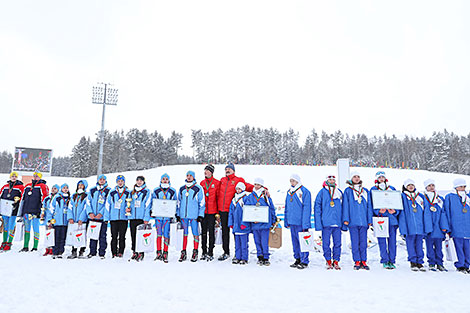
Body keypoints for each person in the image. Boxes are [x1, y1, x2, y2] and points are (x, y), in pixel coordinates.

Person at [217, 163, 254, 261]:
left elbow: (247, 186)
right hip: (223, 210)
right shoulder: (222, 180)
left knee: (236, 232)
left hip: (234, 210)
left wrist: (261, 188)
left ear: (233, 170)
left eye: (229, 169)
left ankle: (237, 253)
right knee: (225, 232)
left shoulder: (238, 180)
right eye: (226, 169)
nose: (227, 170)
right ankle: (226, 252)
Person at [368, 171, 399, 270]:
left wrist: (394, 211)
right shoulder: (373, 190)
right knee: (382, 241)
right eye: (379, 177)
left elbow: (397, 202)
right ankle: (385, 260)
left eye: (383, 177)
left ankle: (392, 260)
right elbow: (371, 204)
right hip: (380, 219)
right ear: (377, 179)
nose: (381, 179)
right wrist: (377, 211)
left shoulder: (392, 189)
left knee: (392, 241)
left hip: (391, 219)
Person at [399, 179, 432, 272]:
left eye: (412, 185)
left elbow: (426, 211)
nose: (410, 187)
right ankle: (413, 261)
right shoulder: (403, 196)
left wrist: (427, 226)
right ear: (405, 186)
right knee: (410, 244)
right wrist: (403, 228)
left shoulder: (420, 196)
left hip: (420, 225)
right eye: (408, 185)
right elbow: (402, 213)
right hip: (409, 226)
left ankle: (420, 261)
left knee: (419, 244)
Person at [342, 171, 372, 270]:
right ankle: (357, 261)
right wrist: (346, 219)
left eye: (358, 177)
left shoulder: (365, 191)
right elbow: (345, 206)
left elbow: (369, 206)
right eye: (354, 177)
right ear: (351, 179)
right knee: (355, 242)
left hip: (363, 221)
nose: (356, 178)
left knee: (363, 242)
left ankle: (364, 260)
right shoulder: (348, 191)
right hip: (353, 221)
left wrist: (369, 219)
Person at [244, 178, 276, 266]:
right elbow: (247, 209)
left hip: (265, 223)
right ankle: (260, 256)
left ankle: (266, 256)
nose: (256, 186)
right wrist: (250, 218)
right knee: (257, 240)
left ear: (262, 186)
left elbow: (271, 208)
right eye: (255, 184)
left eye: (258, 185)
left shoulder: (265, 196)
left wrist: (273, 219)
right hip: (255, 223)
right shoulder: (250, 196)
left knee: (264, 241)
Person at [314, 175, 343, 270]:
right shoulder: (322, 192)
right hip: (326, 223)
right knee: (326, 243)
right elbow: (317, 208)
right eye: (330, 179)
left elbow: (344, 207)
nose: (332, 181)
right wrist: (318, 223)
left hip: (337, 222)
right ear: (326, 180)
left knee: (337, 243)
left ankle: (336, 260)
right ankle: (328, 260)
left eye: (333, 180)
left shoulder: (339, 192)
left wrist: (344, 221)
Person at [176, 170, 205, 262]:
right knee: (184, 234)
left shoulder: (198, 188)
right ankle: (183, 251)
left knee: (195, 234)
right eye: (187, 175)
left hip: (194, 216)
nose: (189, 177)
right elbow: (178, 202)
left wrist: (200, 215)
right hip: (183, 216)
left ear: (193, 177)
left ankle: (195, 251)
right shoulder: (182, 189)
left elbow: (202, 203)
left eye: (190, 176)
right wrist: (178, 214)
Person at [285, 174, 312, 269]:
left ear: (298, 181)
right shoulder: (289, 192)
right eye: (291, 181)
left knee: (303, 242)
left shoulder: (304, 192)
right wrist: (286, 220)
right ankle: (297, 258)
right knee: (295, 242)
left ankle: (304, 260)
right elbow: (287, 207)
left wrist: (306, 223)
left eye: (294, 181)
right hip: (292, 222)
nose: (292, 183)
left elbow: (307, 208)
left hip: (301, 222)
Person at [18, 171, 49, 252]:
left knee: (36, 229)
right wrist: (21, 212)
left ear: (40, 177)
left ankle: (35, 247)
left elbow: (45, 198)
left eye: (37, 176)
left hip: (35, 212)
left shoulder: (43, 186)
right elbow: (23, 199)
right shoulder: (27, 186)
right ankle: (25, 246)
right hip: (26, 211)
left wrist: (42, 210)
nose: (35, 177)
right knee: (26, 229)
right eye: (34, 176)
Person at [444, 178, 470, 274]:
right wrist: (447, 226)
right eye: (460, 187)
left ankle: (467, 265)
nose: (462, 188)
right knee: (458, 247)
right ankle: (460, 265)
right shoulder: (450, 197)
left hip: (467, 227)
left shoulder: (468, 197)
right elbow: (446, 212)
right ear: (455, 187)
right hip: (456, 227)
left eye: (464, 187)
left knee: (467, 248)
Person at [422, 179, 449, 272]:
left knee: (439, 247)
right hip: (428, 227)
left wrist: (444, 226)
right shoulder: (423, 198)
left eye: (433, 185)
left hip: (438, 227)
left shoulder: (440, 199)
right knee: (429, 246)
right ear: (426, 187)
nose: (431, 187)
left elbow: (443, 213)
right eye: (429, 186)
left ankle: (440, 263)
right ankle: (431, 263)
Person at [151, 173, 177, 263]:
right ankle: (158, 252)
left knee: (166, 234)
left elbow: (175, 203)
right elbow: (153, 202)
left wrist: (174, 214)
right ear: (161, 180)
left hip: (167, 217)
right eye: (163, 179)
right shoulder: (156, 190)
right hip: (158, 216)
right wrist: (152, 211)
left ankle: (165, 252)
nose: (165, 180)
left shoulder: (172, 191)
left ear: (169, 180)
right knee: (159, 234)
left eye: (166, 179)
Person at [105, 175, 131, 258]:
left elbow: (130, 204)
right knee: (114, 236)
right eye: (119, 181)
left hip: (123, 218)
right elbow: (107, 205)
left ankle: (121, 251)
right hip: (114, 218)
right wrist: (106, 217)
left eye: (122, 181)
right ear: (117, 182)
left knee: (122, 236)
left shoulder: (128, 192)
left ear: (124, 182)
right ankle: (114, 252)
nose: (120, 182)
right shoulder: (112, 192)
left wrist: (129, 213)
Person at [85, 174, 111, 259]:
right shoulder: (92, 190)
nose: (102, 181)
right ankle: (92, 252)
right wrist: (90, 213)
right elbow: (88, 202)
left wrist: (101, 213)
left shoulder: (108, 191)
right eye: (100, 179)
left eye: (104, 179)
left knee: (102, 235)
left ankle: (102, 252)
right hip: (92, 217)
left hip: (101, 217)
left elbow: (108, 203)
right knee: (93, 235)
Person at [128, 176, 151, 262]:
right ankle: (134, 251)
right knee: (133, 235)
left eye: (141, 181)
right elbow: (128, 203)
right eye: (138, 180)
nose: (139, 182)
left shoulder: (147, 191)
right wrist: (128, 209)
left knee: (140, 235)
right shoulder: (132, 192)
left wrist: (146, 217)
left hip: (141, 218)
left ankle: (141, 252)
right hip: (133, 217)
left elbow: (147, 205)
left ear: (143, 182)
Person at [200, 164, 220, 261]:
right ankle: (203, 251)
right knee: (203, 232)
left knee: (211, 233)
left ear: (211, 172)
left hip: (212, 212)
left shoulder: (216, 183)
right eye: (205, 170)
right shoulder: (202, 183)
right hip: (203, 212)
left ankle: (210, 251)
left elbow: (218, 198)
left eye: (207, 170)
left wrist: (217, 213)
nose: (205, 172)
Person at [0, 172, 24, 252]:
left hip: (14, 210)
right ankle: (4, 242)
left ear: (17, 177)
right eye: (12, 176)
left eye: (15, 176)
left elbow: (23, 198)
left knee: (11, 226)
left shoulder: (20, 187)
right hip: (5, 209)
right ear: (10, 177)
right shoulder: (5, 186)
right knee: (5, 227)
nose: (14, 177)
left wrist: (17, 203)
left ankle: (9, 242)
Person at [228, 182, 250, 265]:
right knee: (237, 243)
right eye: (237, 189)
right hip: (236, 225)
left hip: (243, 226)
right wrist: (231, 222)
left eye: (239, 189)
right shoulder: (234, 200)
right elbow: (231, 212)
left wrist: (244, 223)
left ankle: (244, 257)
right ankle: (237, 256)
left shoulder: (245, 198)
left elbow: (247, 212)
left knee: (244, 243)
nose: (238, 190)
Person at [67, 180, 89, 259]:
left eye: (82, 185)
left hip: (82, 221)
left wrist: (81, 218)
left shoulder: (87, 196)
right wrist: (70, 217)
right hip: (74, 220)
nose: (80, 186)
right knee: (74, 235)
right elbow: (70, 207)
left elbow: (85, 208)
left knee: (82, 235)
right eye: (79, 185)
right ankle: (74, 251)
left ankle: (82, 251)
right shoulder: (74, 196)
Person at [50, 183, 71, 259]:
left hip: (65, 222)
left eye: (66, 188)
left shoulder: (69, 198)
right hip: (57, 221)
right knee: (56, 237)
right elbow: (51, 208)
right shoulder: (57, 197)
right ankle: (55, 251)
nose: (65, 189)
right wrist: (50, 219)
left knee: (63, 237)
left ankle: (60, 252)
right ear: (61, 189)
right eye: (64, 188)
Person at [41, 184, 59, 256]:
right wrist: (42, 214)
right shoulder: (47, 198)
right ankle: (47, 248)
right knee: (47, 234)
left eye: (55, 188)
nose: (53, 190)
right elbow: (43, 207)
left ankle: (52, 248)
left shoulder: (58, 198)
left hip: (53, 219)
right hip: (47, 218)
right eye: (52, 188)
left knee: (53, 234)